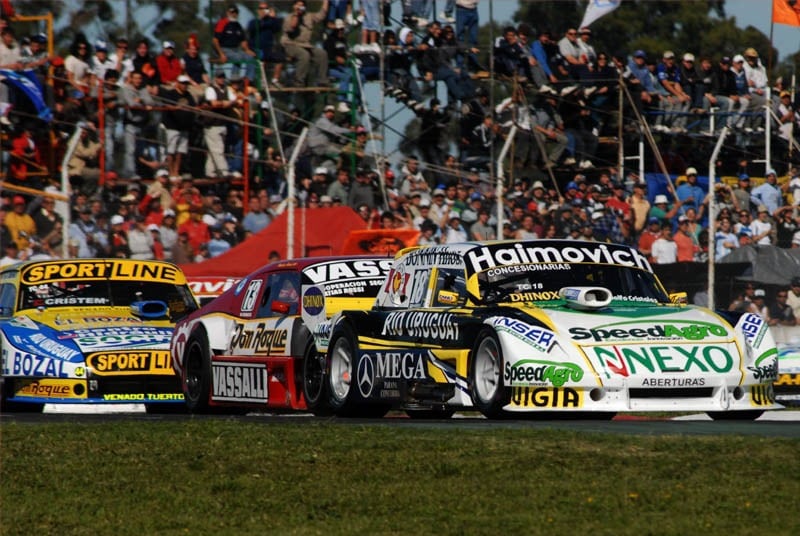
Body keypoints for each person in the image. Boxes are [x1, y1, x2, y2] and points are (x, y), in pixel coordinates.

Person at [281, 0, 330, 87]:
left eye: (302, 6)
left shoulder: (309, 16)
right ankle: (299, 81)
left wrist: (326, 2)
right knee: (304, 55)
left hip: (305, 45)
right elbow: (292, 27)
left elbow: (321, 15)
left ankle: (322, 80)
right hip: (291, 44)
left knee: (322, 54)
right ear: (294, 6)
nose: (300, 7)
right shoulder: (289, 17)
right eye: (298, 5)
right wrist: (296, 14)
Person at [161, 74, 197, 179]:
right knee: (171, 151)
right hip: (172, 126)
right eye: (183, 83)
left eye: (186, 84)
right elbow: (166, 105)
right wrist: (176, 107)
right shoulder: (170, 94)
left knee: (180, 152)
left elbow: (193, 107)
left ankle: (176, 172)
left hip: (184, 127)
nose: (185, 86)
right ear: (178, 83)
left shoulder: (188, 95)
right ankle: (171, 171)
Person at [120, 70, 154, 179]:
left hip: (142, 124)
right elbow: (131, 103)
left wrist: (140, 100)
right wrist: (143, 103)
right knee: (130, 150)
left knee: (141, 151)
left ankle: (140, 172)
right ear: (131, 79)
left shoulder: (143, 90)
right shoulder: (126, 89)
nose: (138, 81)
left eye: (139, 78)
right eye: (135, 78)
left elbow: (151, 102)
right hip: (130, 124)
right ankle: (130, 173)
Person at [203, 70, 237, 178]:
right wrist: (224, 103)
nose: (221, 79)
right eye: (219, 77)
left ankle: (210, 171)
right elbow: (214, 103)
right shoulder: (211, 89)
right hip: (212, 124)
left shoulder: (227, 89)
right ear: (215, 78)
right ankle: (223, 170)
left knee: (214, 149)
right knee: (218, 149)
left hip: (222, 124)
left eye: (223, 77)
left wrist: (226, 103)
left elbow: (234, 100)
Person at [213, 5, 257, 80]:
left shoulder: (238, 25)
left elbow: (243, 40)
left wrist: (247, 50)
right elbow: (215, 40)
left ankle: (248, 80)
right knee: (238, 58)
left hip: (236, 50)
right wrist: (221, 54)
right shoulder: (222, 23)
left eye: (235, 12)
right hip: (224, 49)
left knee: (250, 58)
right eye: (232, 12)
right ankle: (234, 79)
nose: (234, 14)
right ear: (227, 13)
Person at [248, 2, 286, 87]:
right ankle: (261, 80)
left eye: (265, 8)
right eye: (261, 8)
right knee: (262, 56)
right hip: (256, 49)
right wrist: (264, 19)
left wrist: (273, 18)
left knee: (280, 57)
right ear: (258, 10)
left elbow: (278, 28)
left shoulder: (271, 21)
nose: (263, 11)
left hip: (268, 49)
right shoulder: (253, 22)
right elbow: (255, 27)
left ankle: (275, 80)